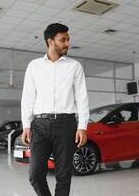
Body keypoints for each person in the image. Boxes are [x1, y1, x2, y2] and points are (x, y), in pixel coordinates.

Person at [21, 23, 89, 196]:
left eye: (68, 39)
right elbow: (28, 97)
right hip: (39, 125)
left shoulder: (74, 66)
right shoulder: (34, 66)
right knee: (35, 174)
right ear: (50, 41)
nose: (67, 43)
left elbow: (82, 97)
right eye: (63, 40)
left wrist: (82, 126)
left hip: (65, 124)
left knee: (64, 175)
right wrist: (26, 125)